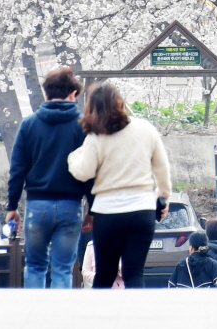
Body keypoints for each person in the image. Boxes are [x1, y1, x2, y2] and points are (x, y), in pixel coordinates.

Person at [66, 81, 171, 289]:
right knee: (134, 272)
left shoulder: (96, 136)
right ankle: (136, 320)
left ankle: (102, 320)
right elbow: (162, 167)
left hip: (108, 212)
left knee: (105, 274)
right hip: (142, 209)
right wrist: (163, 197)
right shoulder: (145, 129)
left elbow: (84, 172)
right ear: (120, 102)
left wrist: (73, 156)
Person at [5, 66, 92, 288]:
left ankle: (35, 317)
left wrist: (12, 205)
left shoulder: (29, 125)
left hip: (37, 205)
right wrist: (92, 207)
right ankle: (59, 317)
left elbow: (17, 169)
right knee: (63, 267)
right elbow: (92, 169)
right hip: (70, 205)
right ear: (73, 94)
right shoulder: (82, 127)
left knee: (35, 265)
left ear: (45, 94)